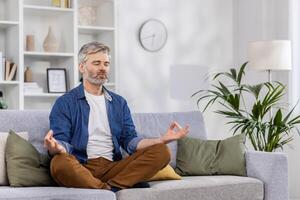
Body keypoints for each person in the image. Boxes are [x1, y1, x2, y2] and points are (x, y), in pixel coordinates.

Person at [43, 42, 189, 192]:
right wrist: (57, 147)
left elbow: (130, 141)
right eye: (96, 63)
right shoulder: (65, 102)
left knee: (162, 151)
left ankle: (107, 188)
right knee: (59, 163)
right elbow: (62, 142)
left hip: (113, 167)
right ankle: (113, 188)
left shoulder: (119, 103)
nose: (102, 68)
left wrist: (160, 140)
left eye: (106, 64)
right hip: (81, 166)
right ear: (82, 67)